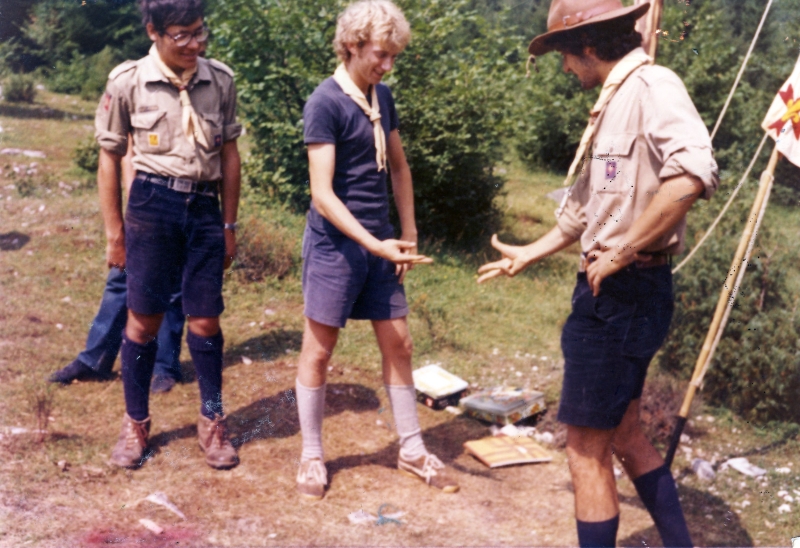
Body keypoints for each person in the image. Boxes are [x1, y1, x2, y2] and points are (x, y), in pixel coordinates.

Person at [478, 1, 718, 545]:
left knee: (585, 450)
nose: (564, 67)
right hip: (621, 290)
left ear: (588, 47)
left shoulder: (654, 87)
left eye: (565, 55)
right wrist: (529, 252)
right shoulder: (618, 99)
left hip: (622, 294)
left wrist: (622, 251)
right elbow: (592, 207)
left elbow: (691, 176)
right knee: (626, 434)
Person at [294, 0, 458, 500]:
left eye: (393, 57)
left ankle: (411, 451)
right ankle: (311, 456)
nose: (387, 66)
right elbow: (322, 196)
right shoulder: (325, 102)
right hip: (336, 246)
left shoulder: (381, 96)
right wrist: (376, 245)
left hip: (382, 244)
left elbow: (400, 169)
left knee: (400, 344)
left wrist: (407, 233)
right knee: (319, 351)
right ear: (351, 45)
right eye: (380, 55)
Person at [94, 0, 242, 469]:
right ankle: (135, 424)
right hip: (151, 206)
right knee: (143, 321)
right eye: (182, 35)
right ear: (153, 32)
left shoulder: (220, 80)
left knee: (205, 321)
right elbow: (109, 157)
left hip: (203, 208)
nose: (194, 44)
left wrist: (229, 225)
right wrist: (115, 233)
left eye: (200, 32)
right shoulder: (128, 81)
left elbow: (230, 156)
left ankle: (212, 421)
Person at [48, 140, 184, 393]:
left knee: (172, 281)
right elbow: (127, 148)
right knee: (121, 276)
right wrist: (136, 200)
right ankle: (95, 359)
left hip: (184, 193)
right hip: (145, 195)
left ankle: (164, 366)